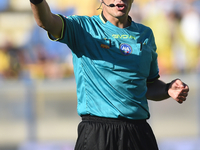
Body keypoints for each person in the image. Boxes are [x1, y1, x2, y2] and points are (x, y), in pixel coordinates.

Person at [29, 0, 189, 149]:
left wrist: (168, 88)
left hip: (139, 132)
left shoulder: (145, 34)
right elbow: (47, 22)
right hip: (97, 133)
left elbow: (149, 85)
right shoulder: (82, 28)